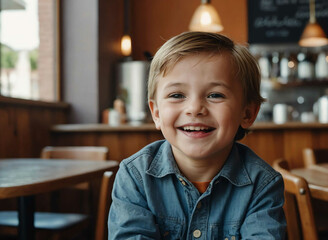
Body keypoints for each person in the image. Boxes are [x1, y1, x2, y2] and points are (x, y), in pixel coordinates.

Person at [109, 31, 286, 239]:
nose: (194, 108)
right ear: (156, 113)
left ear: (247, 113)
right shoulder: (135, 177)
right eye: (177, 95)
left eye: (215, 95)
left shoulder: (263, 184)